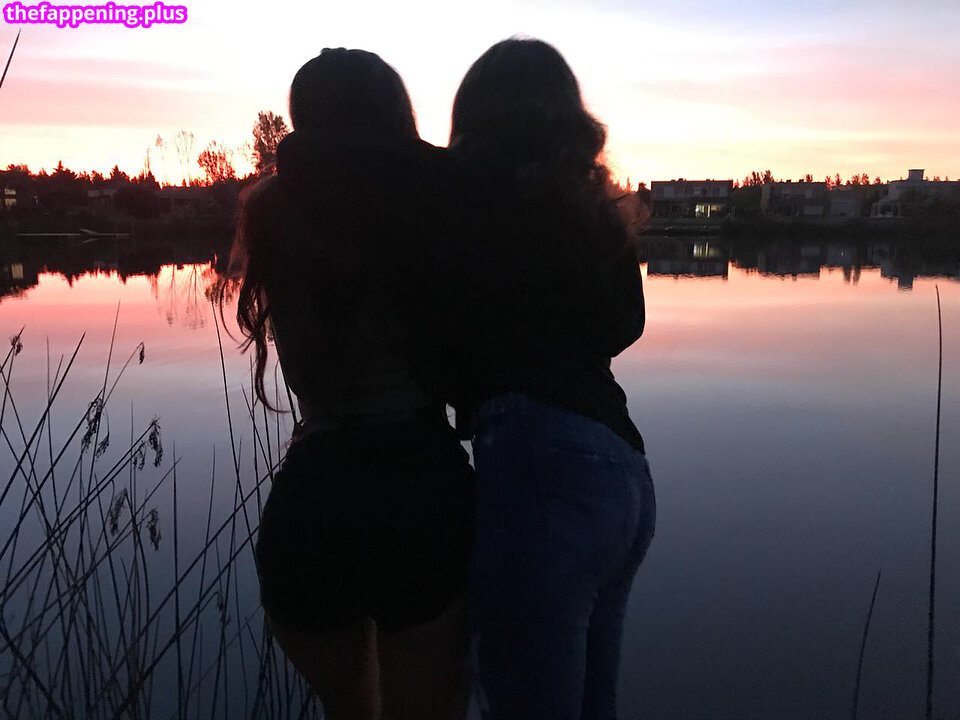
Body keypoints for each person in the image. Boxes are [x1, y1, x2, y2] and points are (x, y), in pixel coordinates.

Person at [228, 48, 473, 720]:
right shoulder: (433, 208)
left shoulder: (272, 212)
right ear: (396, 114)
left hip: (312, 503)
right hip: (420, 493)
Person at [444, 38, 657, 720]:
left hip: (538, 463)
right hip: (623, 468)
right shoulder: (592, 210)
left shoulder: (467, 206)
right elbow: (625, 325)